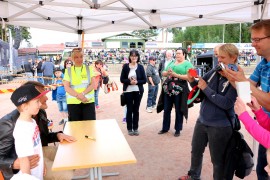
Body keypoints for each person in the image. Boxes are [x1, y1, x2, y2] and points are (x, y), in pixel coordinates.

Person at [179, 44, 238, 179]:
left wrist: (206, 88)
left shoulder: (236, 77)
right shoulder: (214, 71)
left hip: (220, 126)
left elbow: (226, 104)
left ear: (233, 58)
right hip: (203, 120)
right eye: (217, 56)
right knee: (196, 151)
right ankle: (193, 175)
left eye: (222, 57)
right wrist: (192, 80)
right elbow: (200, 88)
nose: (218, 60)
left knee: (218, 161)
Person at [0, 81, 76, 180]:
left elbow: (40, 137)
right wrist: (13, 163)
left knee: (71, 157)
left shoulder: (39, 113)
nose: (46, 98)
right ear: (26, 103)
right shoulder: (9, 123)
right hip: (24, 167)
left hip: (38, 154)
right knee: (66, 173)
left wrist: (57, 135)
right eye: (41, 95)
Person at [226, 19, 270, 179]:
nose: (253, 44)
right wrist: (232, 77)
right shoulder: (264, 63)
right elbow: (246, 87)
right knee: (262, 171)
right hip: (266, 124)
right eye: (252, 39)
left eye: (257, 39)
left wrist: (242, 80)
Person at [11, 84, 48, 179]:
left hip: (37, 170)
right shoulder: (22, 130)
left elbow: (37, 146)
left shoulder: (32, 121)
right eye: (36, 102)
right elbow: (24, 160)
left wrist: (42, 162)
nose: (40, 104)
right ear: (24, 106)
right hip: (31, 175)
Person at [158, 47, 193, 137]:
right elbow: (163, 72)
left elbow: (190, 77)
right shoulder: (172, 62)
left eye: (179, 53)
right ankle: (165, 128)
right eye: (176, 53)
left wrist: (176, 75)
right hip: (169, 88)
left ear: (184, 54)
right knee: (166, 109)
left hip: (180, 88)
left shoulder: (188, 64)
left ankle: (178, 129)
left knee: (179, 109)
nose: (177, 55)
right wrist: (168, 73)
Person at [63, 47, 96, 121]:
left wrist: (83, 94)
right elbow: (67, 87)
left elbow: (93, 84)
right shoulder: (68, 71)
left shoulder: (89, 69)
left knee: (89, 126)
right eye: (76, 57)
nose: (79, 59)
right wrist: (79, 96)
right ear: (72, 58)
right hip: (73, 103)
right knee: (75, 127)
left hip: (88, 101)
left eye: (81, 57)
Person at [120, 49, 147, 136]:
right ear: (130, 57)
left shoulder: (140, 67)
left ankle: (135, 128)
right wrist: (129, 82)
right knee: (129, 109)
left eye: (135, 56)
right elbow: (122, 79)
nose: (134, 58)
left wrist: (137, 82)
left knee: (136, 110)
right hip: (128, 91)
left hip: (138, 91)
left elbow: (144, 80)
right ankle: (129, 128)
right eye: (132, 56)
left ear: (138, 57)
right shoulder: (125, 67)